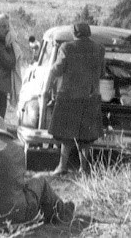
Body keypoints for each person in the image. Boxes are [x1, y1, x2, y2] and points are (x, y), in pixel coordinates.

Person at [0, 115, 75, 228]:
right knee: (40, 181)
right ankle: (62, 213)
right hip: (18, 216)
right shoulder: (17, 149)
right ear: (4, 134)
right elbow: (19, 183)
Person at [48, 23, 105, 175]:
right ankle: (84, 168)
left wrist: (48, 86)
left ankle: (62, 166)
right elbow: (102, 72)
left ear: (74, 33)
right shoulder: (99, 48)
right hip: (90, 97)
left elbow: (56, 70)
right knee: (86, 137)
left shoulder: (67, 47)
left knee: (66, 136)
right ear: (88, 33)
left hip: (69, 97)